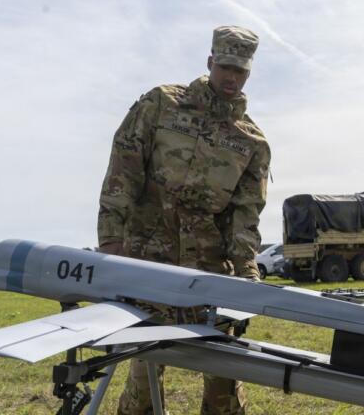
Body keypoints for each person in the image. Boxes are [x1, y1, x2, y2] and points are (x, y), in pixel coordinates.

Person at [97, 25, 270, 415]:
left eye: (240, 70)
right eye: (225, 66)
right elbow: (123, 170)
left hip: (208, 270)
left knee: (224, 376)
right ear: (210, 62)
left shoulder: (251, 141)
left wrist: (246, 277)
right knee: (145, 367)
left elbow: (245, 217)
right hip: (147, 260)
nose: (231, 77)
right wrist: (111, 240)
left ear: (249, 73)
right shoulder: (161, 105)